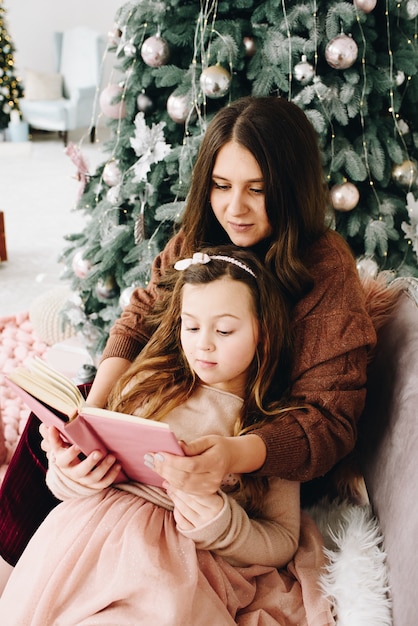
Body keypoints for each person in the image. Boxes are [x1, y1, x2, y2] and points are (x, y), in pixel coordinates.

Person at [0, 95, 376, 576]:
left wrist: (234, 456)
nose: (234, 208)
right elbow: (139, 322)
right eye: (221, 185)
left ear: (291, 189)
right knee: (53, 427)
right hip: (174, 407)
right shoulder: (198, 237)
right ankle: (29, 560)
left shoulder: (325, 268)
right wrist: (92, 413)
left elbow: (329, 421)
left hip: (257, 445)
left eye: (257, 190)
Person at [0, 248, 334, 625]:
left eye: (223, 330)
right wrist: (71, 476)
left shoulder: (270, 428)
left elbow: (282, 540)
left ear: (264, 332)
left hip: (170, 567)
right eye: (190, 327)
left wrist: (223, 524)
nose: (203, 343)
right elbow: (77, 473)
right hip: (81, 545)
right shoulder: (148, 382)